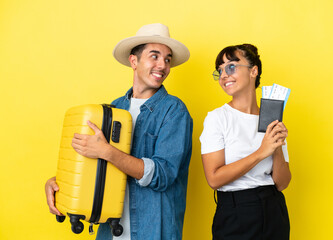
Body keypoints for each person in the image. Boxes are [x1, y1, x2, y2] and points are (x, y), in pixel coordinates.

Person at [45, 23, 193, 240]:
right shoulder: (113, 109)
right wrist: (59, 182)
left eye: (167, 59)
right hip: (110, 230)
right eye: (154, 56)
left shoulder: (174, 110)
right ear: (134, 61)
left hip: (152, 230)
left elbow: (163, 174)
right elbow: (93, 164)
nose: (162, 65)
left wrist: (107, 152)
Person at [199, 44, 291, 240]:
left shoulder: (272, 117)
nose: (224, 74)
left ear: (253, 71)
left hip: (274, 209)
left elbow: (282, 183)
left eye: (231, 66)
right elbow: (214, 179)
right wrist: (261, 152)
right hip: (236, 213)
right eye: (220, 70)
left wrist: (275, 148)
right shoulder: (217, 118)